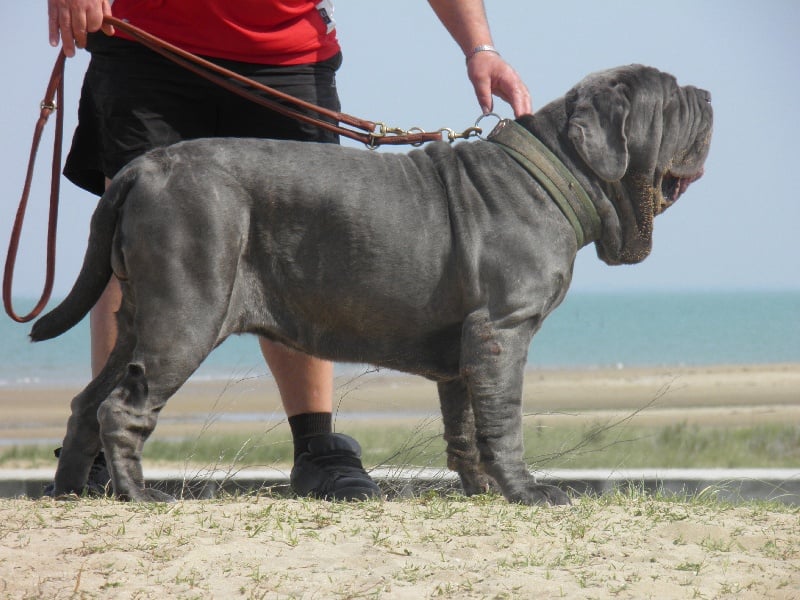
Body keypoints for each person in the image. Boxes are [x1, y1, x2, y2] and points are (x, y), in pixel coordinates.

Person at [47, 0, 532, 500]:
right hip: (144, 43)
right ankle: (97, 458)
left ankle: (317, 450)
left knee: (307, 252)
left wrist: (480, 47)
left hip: (289, 58)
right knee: (142, 247)